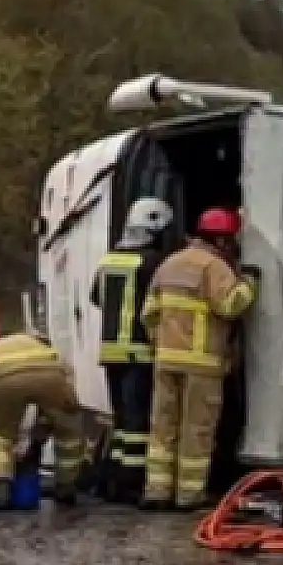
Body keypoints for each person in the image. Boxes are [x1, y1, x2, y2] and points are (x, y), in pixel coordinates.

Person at [141, 207, 259, 511]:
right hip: (201, 364)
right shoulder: (214, 267)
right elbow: (231, 305)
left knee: (163, 426)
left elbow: (149, 315)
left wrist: (163, 344)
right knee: (197, 429)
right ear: (221, 240)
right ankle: (188, 495)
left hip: (166, 361)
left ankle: (157, 491)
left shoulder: (169, 265)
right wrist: (249, 283)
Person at [90, 196, 174, 502]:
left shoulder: (109, 260)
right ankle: (133, 483)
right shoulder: (151, 263)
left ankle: (113, 481)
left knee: (123, 420)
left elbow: (96, 297)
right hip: (139, 352)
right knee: (138, 424)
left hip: (111, 353)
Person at [0, 331, 85, 510]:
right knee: (68, 430)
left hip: (1, 377)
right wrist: (36, 446)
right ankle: (66, 487)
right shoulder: (51, 353)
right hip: (50, 374)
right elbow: (53, 412)